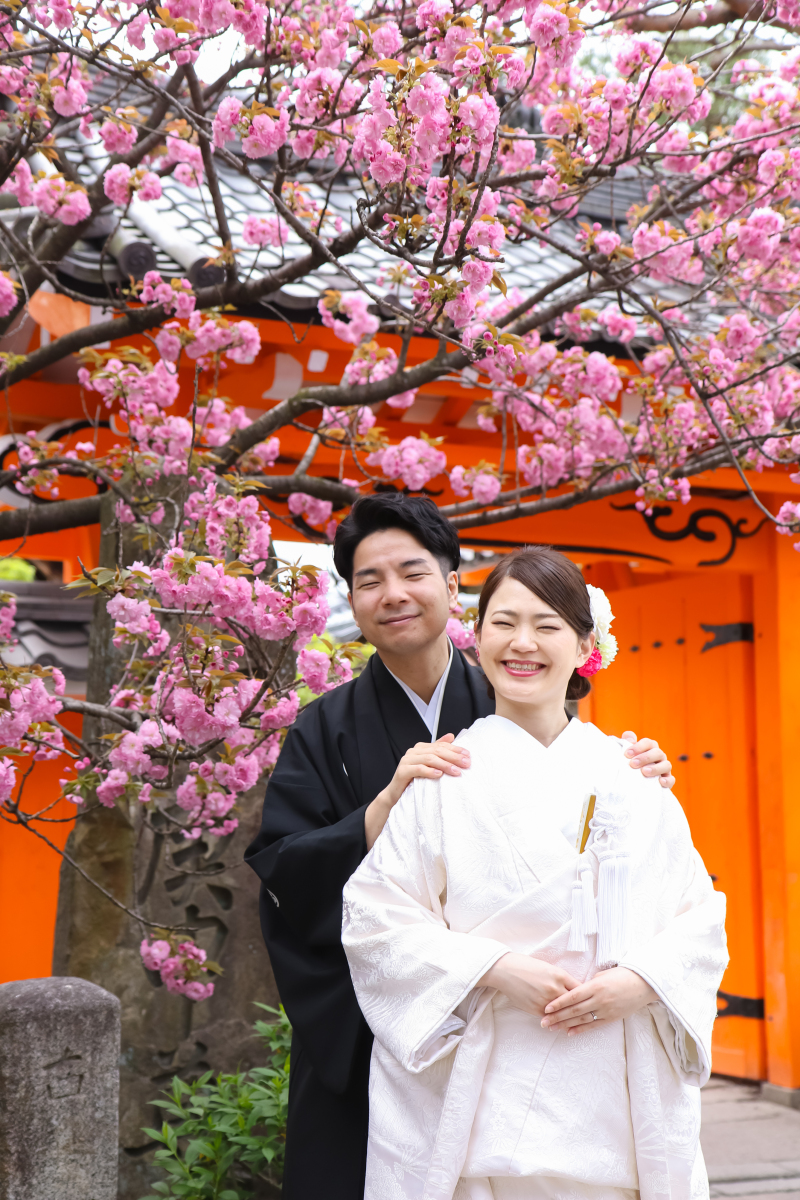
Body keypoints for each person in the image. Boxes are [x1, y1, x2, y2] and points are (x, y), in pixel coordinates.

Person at [245, 497, 676, 1200]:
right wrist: (380, 812)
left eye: (412, 572)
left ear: (452, 588)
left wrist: (639, 775)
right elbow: (285, 877)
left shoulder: (521, 693)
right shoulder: (323, 729)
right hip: (386, 1022)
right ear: (351, 600)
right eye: (368, 580)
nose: (392, 595)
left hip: (541, 1029)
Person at [342, 546, 728, 1200]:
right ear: (478, 636)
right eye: (504, 622)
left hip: (617, 1099)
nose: (523, 643)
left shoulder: (631, 775)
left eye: (547, 626)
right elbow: (375, 921)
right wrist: (491, 968)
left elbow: (698, 918)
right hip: (484, 1103)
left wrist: (642, 981)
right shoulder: (445, 777)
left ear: (584, 646)